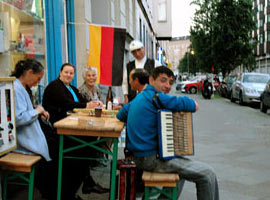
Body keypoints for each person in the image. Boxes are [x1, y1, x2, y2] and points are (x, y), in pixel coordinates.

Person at [116, 66, 219, 200]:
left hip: (137, 156)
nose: (167, 85)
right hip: (150, 159)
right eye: (163, 80)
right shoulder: (158, 97)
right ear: (151, 80)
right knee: (207, 174)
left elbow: (120, 115)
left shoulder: (139, 97)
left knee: (181, 172)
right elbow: (194, 105)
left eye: (170, 82)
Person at [41, 63, 109, 200]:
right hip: (58, 130)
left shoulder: (71, 87)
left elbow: (83, 101)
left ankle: (82, 183)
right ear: (60, 72)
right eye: (66, 72)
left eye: (71, 73)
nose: (68, 75)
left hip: (72, 125)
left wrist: (94, 104)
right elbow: (66, 103)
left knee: (89, 143)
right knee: (84, 147)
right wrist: (86, 105)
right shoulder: (55, 86)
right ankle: (72, 189)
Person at [11, 59, 50, 161]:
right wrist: (37, 111)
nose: (37, 83)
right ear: (29, 73)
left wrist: (38, 113)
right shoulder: (16, 88)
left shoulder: (23, 88)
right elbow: (18, 118)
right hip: (24, 143)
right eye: (37, 79)